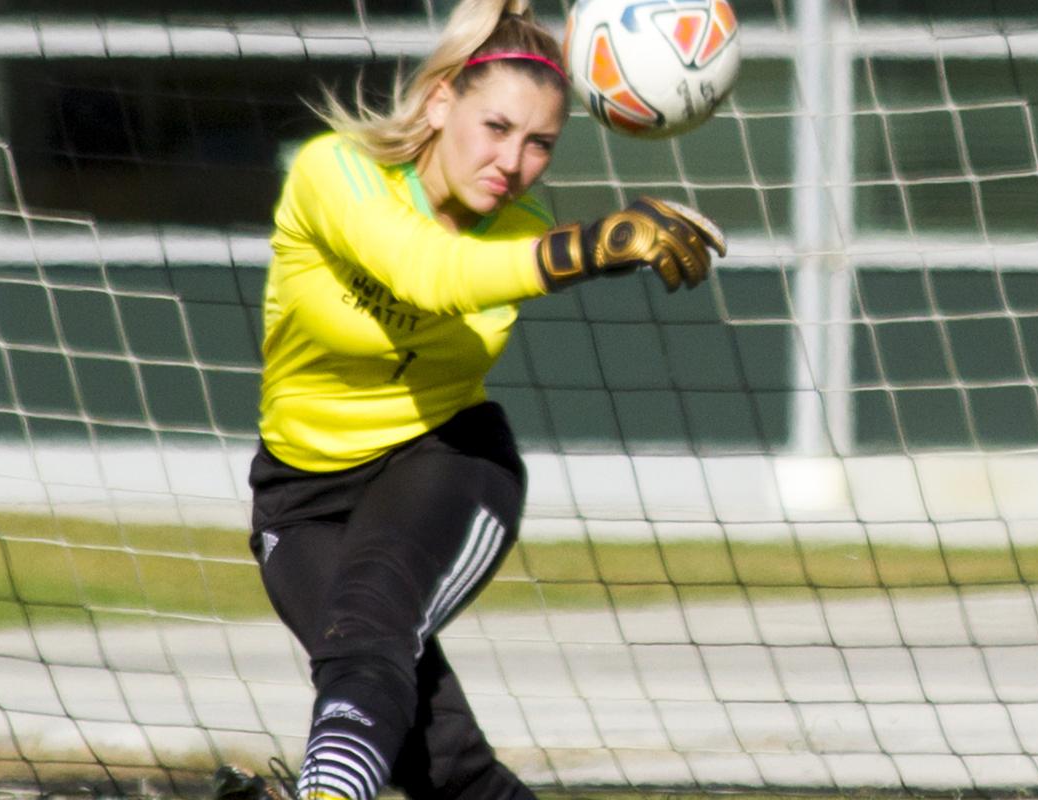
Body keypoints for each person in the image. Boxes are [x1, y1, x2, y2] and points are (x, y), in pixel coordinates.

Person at [215, 0, 726, 797]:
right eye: (496, 128)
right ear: (441, 101)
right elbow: (425, 272)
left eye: (540, 145)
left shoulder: (516, 228)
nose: (514, 162)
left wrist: (576, 246)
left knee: (368, 637)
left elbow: (464, 274)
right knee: (440, 760)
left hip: (445, 464)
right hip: (299, 498)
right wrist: (596, 245)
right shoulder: (334, 170)